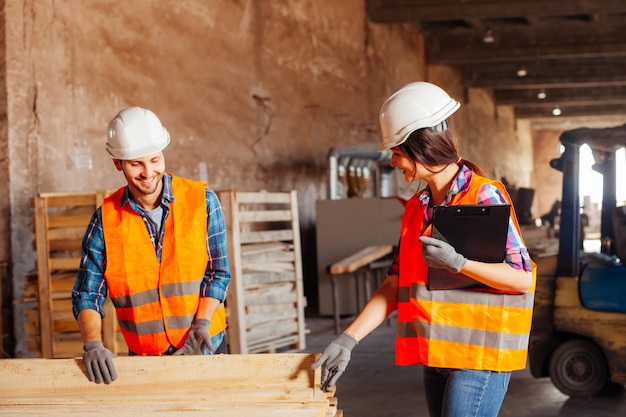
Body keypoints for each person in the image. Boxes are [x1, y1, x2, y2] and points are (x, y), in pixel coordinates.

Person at [312, 82, 536, 417]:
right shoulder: (418, 207)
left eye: (397, 152)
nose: (392, 162)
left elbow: (521, 279)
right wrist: (348, 339)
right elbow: (395, 284)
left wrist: (459, 263)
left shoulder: (483, 197)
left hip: (480, 357)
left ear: (422, 146)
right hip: (438, 353)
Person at [72, 106, 230, 384]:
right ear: (118, 163)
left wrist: (202, 323)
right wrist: (93, 344)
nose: (148, 172)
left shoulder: (202, 201)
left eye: (155, 160)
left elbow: (218, 272)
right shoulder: (105, 221)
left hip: (207, 347)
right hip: (146, 360)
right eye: (136, 164)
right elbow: (87, 293)